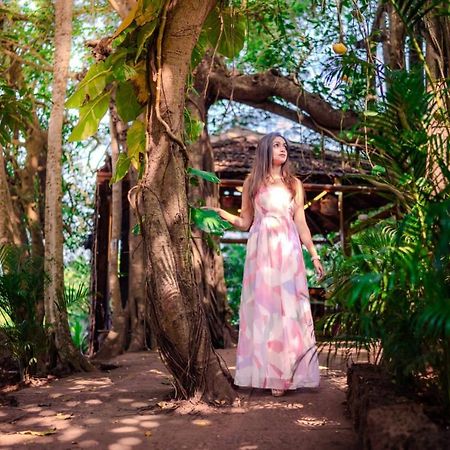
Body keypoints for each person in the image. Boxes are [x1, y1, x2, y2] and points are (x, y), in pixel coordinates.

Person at [209, 132, 324, 397]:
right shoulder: (252, 182)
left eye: (285, 145)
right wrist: (220, 213)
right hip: (261, 251)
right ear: (264, 150)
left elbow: (301, 222)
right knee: (264, 310)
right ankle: (268, 373)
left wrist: (314, 254)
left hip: (288, 249)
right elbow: (245, 222)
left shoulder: (294, 184)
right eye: (276, 145)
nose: (283, 149)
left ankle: (288, 374)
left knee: (289, 310)